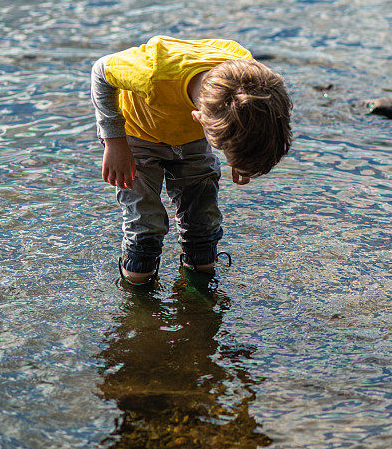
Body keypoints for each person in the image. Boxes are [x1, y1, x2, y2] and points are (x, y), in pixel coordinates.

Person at [91, 35, 292, 285]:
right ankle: (138, 294)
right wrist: (114, 141)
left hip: (188, 138)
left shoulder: (254, 80)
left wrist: (241, 157)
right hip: (136, 137)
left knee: (201, 218)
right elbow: (100, 70)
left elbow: (258, 123)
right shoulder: (153, 74)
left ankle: (197, 283)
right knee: (145, 225)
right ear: (199, 118)